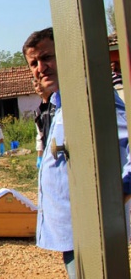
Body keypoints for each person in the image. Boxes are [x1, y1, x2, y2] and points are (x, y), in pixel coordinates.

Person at [23, 27, 128, 278]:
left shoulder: (91, 95)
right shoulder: (61, 102)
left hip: (91, 227)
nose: (41, 67)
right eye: (34, 63)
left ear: (68, 54)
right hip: (71, 230)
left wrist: (121, 191)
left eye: (47, 57)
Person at [32, 79, 54, 169]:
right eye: (36, 85)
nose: (39, 87)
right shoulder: (38, 111)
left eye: (41, 84)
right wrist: (39, 156)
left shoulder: (57, 104)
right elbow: (40, 135)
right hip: (48, 151)